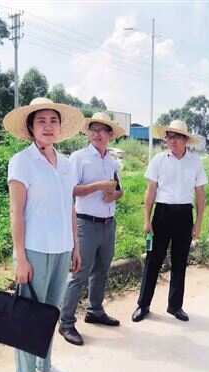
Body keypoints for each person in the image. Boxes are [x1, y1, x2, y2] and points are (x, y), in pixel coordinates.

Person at [4, 97, 84, 372]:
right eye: (41, 121)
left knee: (50, 313)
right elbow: (16, 212)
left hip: (62, 248)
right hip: (34, 250)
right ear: (30, 127)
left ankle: (44, 366)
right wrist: (21, 257)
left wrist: (75, 245)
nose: (48, 126)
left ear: (60, 127)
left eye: (53, 121)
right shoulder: (21, 162)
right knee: (29, 316)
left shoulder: (66, 164)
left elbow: (70, 207)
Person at [59, 112, 126, 346]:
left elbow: (119, 190)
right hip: (85, 223)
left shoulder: (113, 161)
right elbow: (71, 190)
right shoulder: (79, 158)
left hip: (108, 223)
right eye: (93, 130)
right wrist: (98, 186)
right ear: (88, 133)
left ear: (110, 135)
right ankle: (66, 322)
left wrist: (114, 194)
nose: (98, 134)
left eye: (103, 130)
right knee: (79, 273)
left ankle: (95, 310)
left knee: (102, 269)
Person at [132, 119, 206, 323]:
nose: (172, 141)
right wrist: (147, 220)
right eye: (169, 136)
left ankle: (175, 306)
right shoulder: (158, 160)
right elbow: (150, 191)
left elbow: (200, 193)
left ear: (185, 140)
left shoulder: (195, 162)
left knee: (180, 261)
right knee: (153, 260)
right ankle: (143, 305)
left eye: (177, 137)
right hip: (162, 214)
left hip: (184, 214)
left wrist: (198, 222)